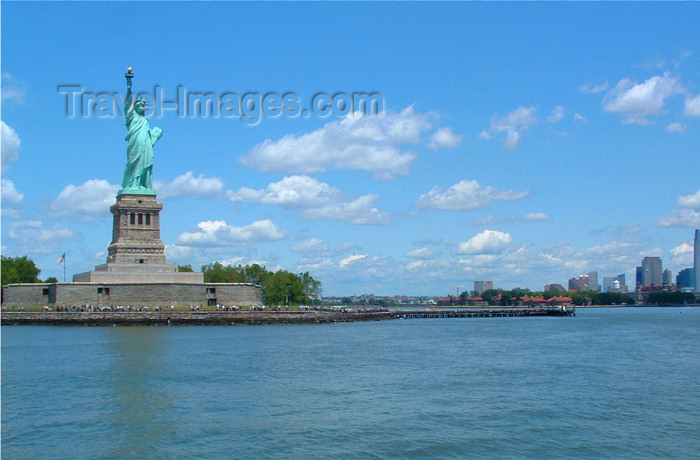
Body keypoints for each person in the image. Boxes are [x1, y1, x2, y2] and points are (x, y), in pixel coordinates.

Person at [119, 69, 163, 194]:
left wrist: (155, 136)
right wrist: (129, 85)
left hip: (146, 145)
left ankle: (144, 186)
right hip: (135, 143)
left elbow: (150, 136)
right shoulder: (131, 117)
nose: (141, 106)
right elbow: (128, 101)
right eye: (138, 104)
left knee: (146, 163)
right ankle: (133, 185)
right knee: (134, 163)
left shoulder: (145, 121)